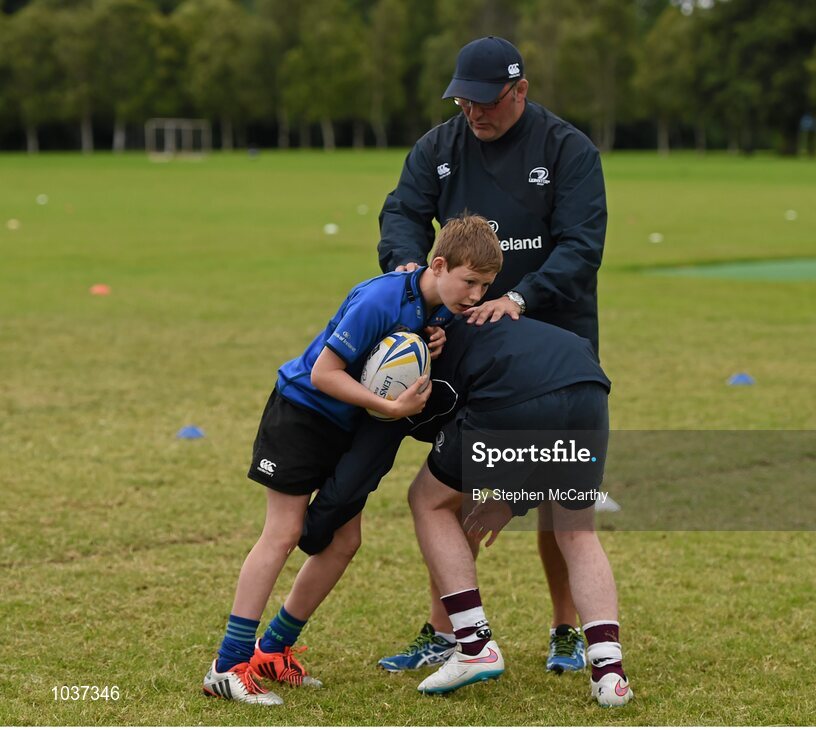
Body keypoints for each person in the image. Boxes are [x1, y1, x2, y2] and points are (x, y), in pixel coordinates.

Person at [377, 34, 608, 675]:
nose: (475, 114)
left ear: (521, 91)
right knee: (451, 492)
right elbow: (402, 213)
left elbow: (581, 245)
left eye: (488, 103)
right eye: (464, 102)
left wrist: (522, 298)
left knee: (564, 499)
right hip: (466, 349)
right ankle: (447, 631)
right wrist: (405, 267)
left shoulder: (568, 150)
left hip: (552, 347)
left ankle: (567, 631)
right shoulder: (439, 146)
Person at [201, 215, 502, 705]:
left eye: (485, 286)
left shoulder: (440, 309)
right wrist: (389, 407)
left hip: (346, 427)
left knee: (344, 542)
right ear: (439, 263)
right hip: (302, 414)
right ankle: (227, 664)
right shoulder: (380, 298)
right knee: (282, 534)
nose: (474, 295)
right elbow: (324, 372)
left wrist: (433, 345)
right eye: (469, 282)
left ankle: (273, 650)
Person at [300, 316, 634, 707]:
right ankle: (609, 673)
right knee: (577, 531)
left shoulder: (405, 378)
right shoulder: (436, 323)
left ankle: (474, 646)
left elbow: (362, 468)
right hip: (587, 382)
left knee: (428, 499)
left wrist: (311, 529)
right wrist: (514, 501)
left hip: (515, 390)